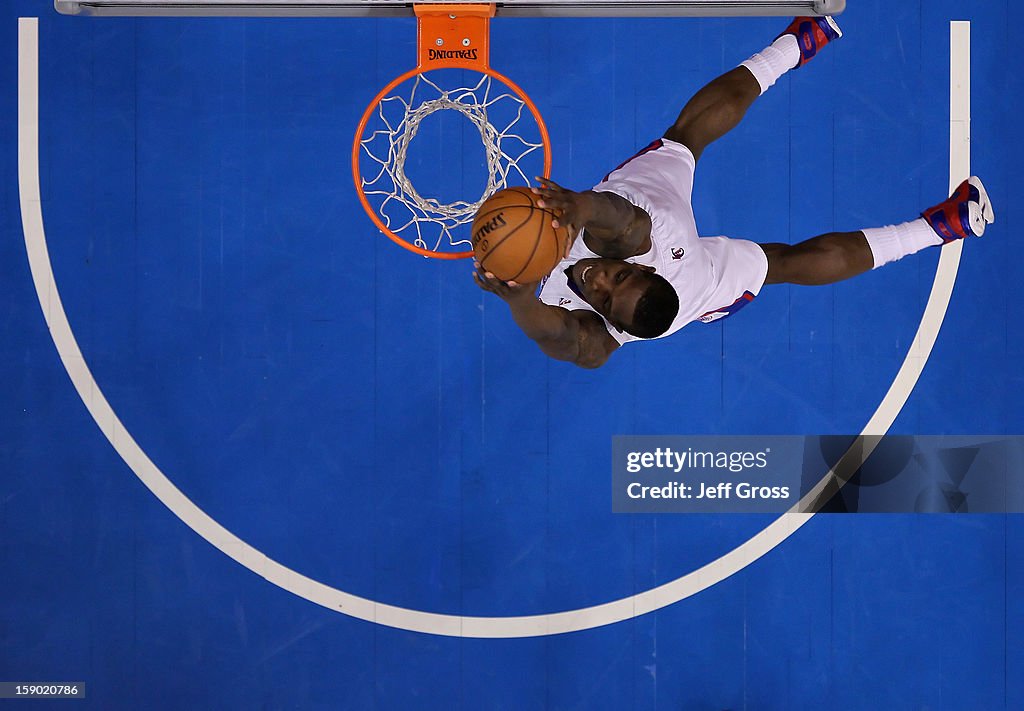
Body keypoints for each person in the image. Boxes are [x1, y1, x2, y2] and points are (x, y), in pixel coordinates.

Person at [472, 16, 995, 369]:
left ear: (612, 314)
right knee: (694, 148)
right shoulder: (645, 240)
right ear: (644, 269)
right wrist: (580, 206)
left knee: (773, 252)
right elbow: (623, 223)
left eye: (606, 294)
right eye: (620, 278)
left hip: (679, 268)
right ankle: (799, 44)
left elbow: (551, 334)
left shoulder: (609, 315)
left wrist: (518, 297)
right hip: (683, 258)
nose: (601, 278)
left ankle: (945, 226)